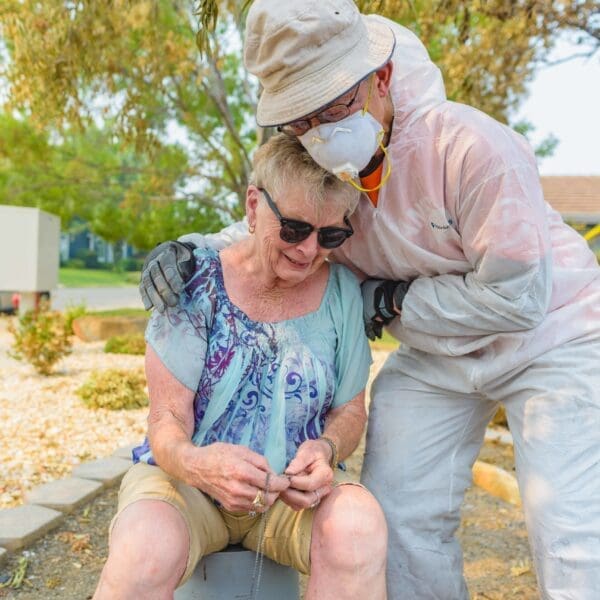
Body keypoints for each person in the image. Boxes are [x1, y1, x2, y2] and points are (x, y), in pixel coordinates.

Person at [139, 1, 600, 598]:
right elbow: (275, 220)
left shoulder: (473, 148)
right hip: (437, 357)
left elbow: (520, 298)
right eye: (301, 118)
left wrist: (392, 300)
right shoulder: (314, 154)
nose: (319, 132)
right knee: (401, 516)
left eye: (331, 107)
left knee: (570, 528)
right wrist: (188, 252)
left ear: (381, 77)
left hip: (553, 338)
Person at [95, 133, 388, 600]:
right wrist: (197, 464)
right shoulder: (195, 279)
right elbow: (166, 421)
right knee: (143, 548)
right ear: (254, 207)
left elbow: (351, 411)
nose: (309, 250)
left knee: (357, 527)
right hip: (188, 482)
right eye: (293, 229)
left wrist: (328, 449)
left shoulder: (341, 294)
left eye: (330, 235)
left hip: (289, 498)